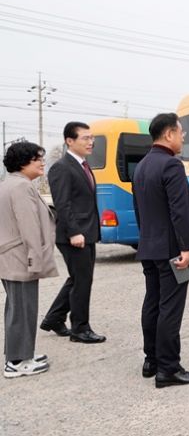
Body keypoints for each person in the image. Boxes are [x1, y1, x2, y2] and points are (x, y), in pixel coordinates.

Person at [132, 113, 189, 388]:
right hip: (174, 250)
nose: (183, 136)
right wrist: (186, 248)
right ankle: (169, 369)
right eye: (181, 131)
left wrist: (147, 239)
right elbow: (181, 211)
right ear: (168, 134)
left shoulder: (141, 166)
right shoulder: (171, 165)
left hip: (150, 246)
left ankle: (151, 360)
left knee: (153, 303)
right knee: (170, 309)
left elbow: (140, 210)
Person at [40, 122, 105, 344]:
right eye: (85, 138)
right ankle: (80, 329)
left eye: (92, 138)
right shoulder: (62, 167)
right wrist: (74, 232)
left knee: (78, 279)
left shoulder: (83, 166)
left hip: (87, 233)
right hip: (74, 235)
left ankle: (54, 318)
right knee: (82, 281)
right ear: (70, 141)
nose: (91, 142)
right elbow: (63, 203)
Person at [0, 142, 57, 378]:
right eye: (37, 159)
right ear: (23, 162)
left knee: (17, 308)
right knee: (23, 309)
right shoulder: (22, 187)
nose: (42, 163)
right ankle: (17, 361)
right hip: (20, 257)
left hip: (11, 256)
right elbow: (29, 227)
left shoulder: (9, 183)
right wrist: (35, 258)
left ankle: (22, 355)